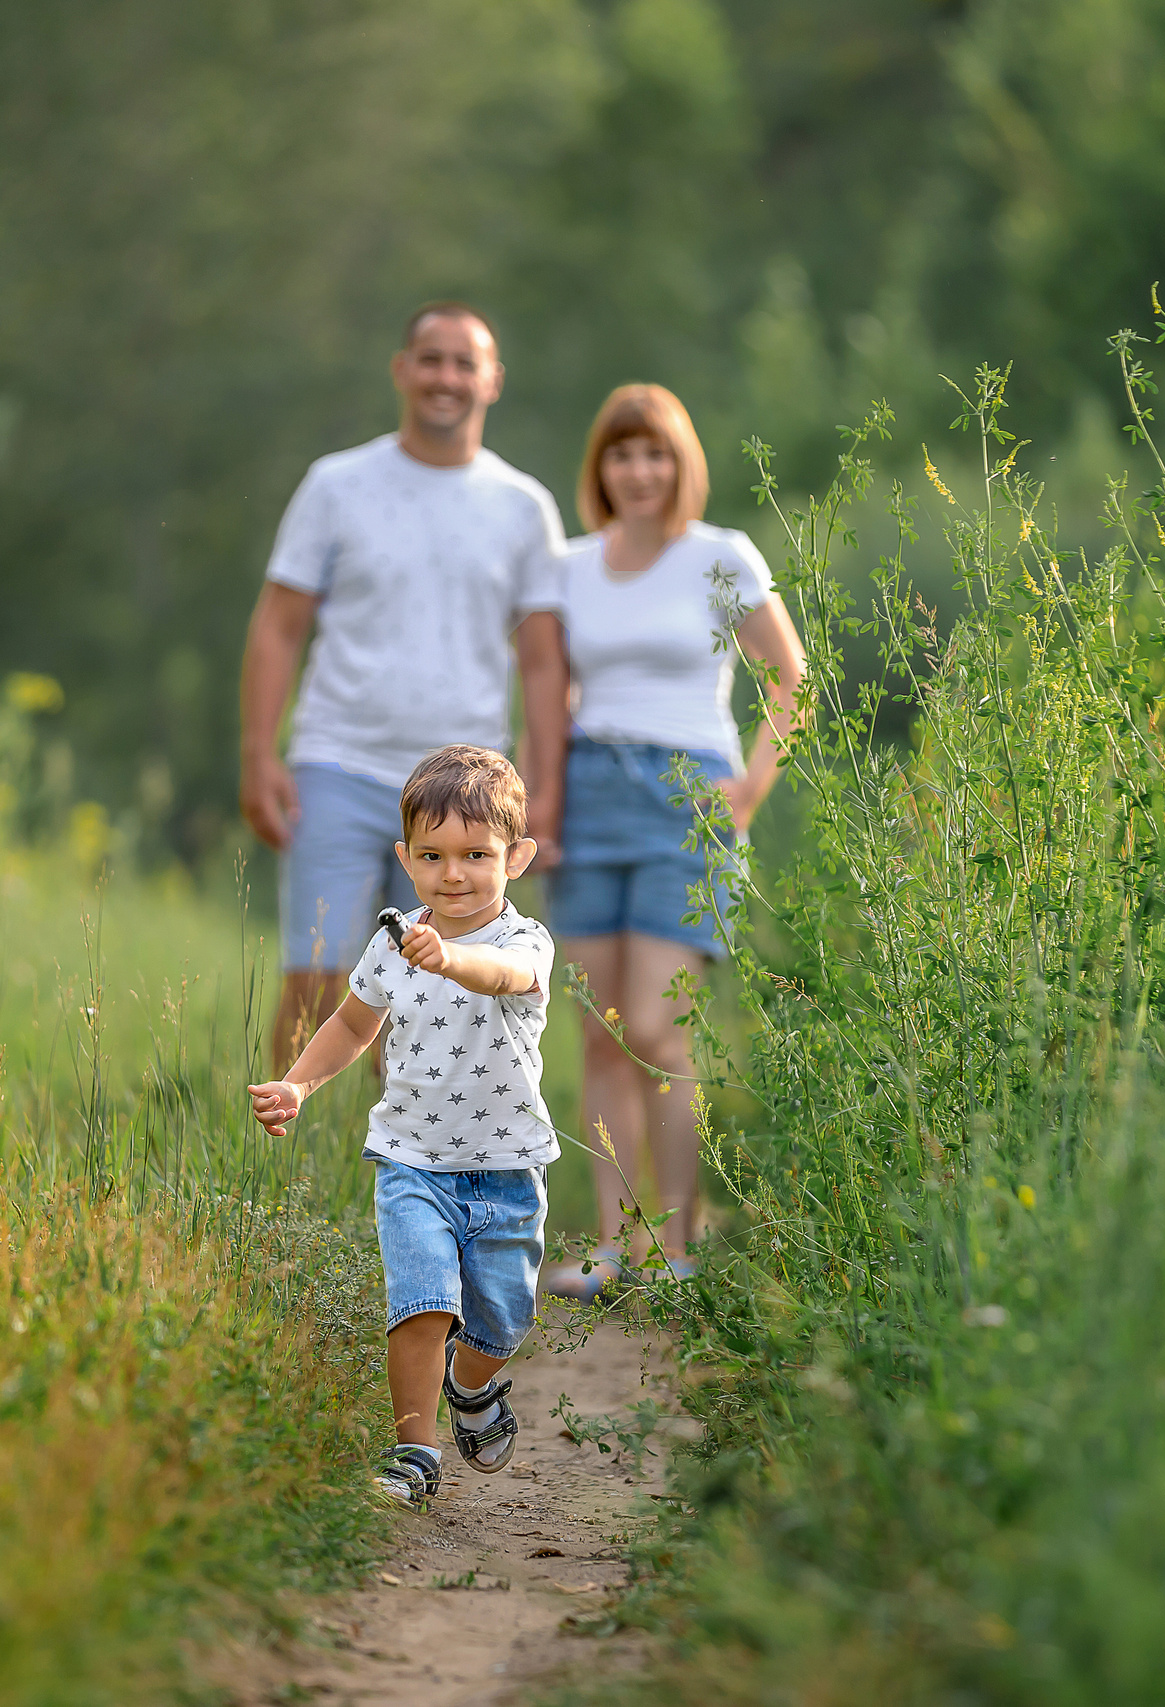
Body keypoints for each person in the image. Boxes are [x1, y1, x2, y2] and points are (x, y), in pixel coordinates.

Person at [239, 304, 570, 1071]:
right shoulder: (336, 485)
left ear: (492, 380)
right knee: (317, 978)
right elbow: (278, 626)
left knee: (435, 995)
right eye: (431, 359)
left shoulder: (523, 507)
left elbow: (543, 661)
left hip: (464, 791)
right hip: (338, 763)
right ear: (402, 370)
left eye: (464, 363)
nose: (446, 377)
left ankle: (394, 1148)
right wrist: (258, 753)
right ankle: (289, 1139)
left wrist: (545, 787)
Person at [541, 384, 807, 1298]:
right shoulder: (570, 566)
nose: (639, 471)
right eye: (622, 454)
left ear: (681, 461)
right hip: (588, 795)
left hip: (685, 801)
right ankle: (614, 1248)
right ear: (600, 468)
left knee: (658, 1029)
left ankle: (680, 1248)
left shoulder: (720, 556)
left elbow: (791, 677)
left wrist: (751, 788)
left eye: (655, 452)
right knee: (601, 1034)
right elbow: (549, 692)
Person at [247, 746, 558, 1504]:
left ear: (515, 858)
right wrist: (298, 1083)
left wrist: (449, 959)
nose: (454, 873)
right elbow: (353, 1025)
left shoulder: (524, 942)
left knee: (502, 1321)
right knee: (422, 1304)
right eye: (433, 855)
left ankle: (471, 1385)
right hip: (412, 1158)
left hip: (507, 1167)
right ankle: (414, 1450)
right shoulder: (392, 944)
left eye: (476, 855)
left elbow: (504, 978)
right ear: (406, 859)